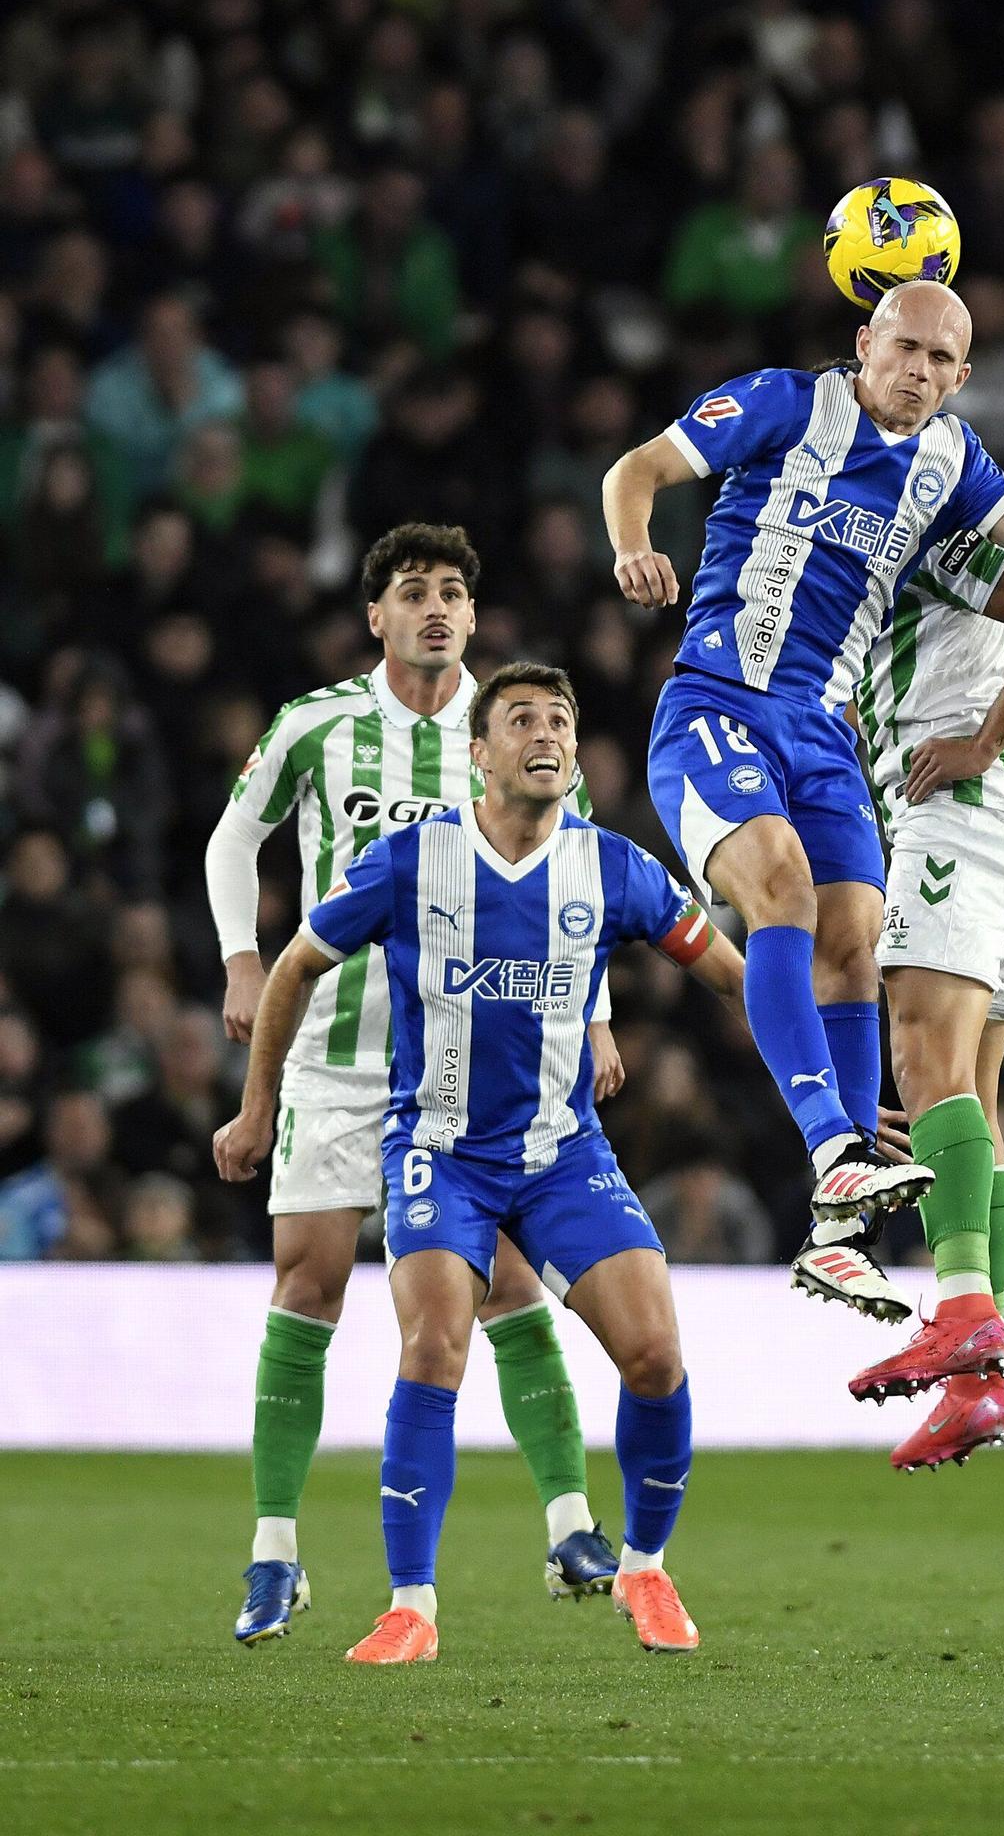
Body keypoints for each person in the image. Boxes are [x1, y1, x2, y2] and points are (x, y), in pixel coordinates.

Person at [605, 277, 1004, 1312]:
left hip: (824, 735)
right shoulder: (786, 402)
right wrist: (632, 543)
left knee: (855, 942)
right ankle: (835, 1145)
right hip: (718, 703)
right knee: (784, 892)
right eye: (905, 348)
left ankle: (838, 1234)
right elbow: (637, 468)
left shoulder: (950, 464)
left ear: (962, 379)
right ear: (864, 343)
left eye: (940, 360)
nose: (918, 372)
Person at [215, 663, 748, 1660]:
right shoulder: (412, 859)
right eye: (521, 720)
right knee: (433, 1349)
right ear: (479, 752)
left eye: (560, 720)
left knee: (655, 1355)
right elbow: (294, 968)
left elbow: (732, 976)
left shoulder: (615, 867)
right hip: (440, 1152)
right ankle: (410, 1605)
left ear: (575, 754)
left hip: (561, 1154)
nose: (544, 733)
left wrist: (829, 1093)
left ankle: (644, 1567)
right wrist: (256, 1107)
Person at [204, 523, 625, 1647]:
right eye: (411, 591)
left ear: (474, 616)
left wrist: (594, 1015)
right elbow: (232, 840)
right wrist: (242, 957)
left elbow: (575, 879)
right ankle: (275, 1552)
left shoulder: (513, 726)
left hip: (477, 1064)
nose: (434, 607)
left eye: (451, 591)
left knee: (510, 1284)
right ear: (375, 616)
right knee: (309, 1284)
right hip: (339, 1052)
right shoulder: (318, 724)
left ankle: (571, 1525)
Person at [842, 529, 1004, 1469]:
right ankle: (977, 1384)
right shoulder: (890, 556)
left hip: (962, 818)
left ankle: (961, 1315)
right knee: (975, 1104)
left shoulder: (917, 530)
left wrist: (981, 743)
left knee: (924, 1065)